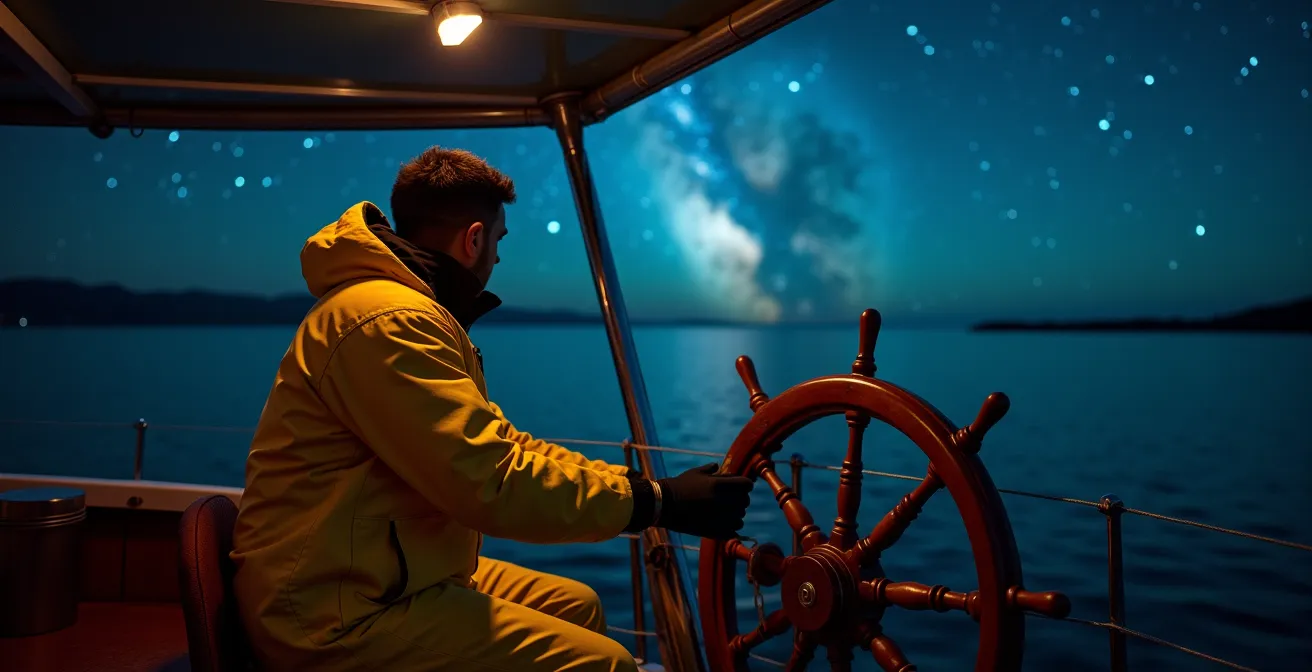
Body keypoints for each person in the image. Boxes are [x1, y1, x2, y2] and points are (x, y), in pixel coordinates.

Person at [230, 146, 753, 672]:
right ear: (473, 238)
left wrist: (644, 488)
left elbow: (505, 448)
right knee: (607, 664)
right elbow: (490, 481)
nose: (499, 259)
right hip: (329, 610)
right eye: (499, 240)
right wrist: (658, 504)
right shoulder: (387, 322)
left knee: (579, 605)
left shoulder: (411, 313)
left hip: (383, 568)